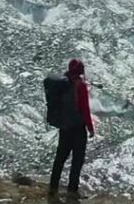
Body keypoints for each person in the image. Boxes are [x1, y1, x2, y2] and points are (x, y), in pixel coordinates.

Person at [48, 58, 95, 200]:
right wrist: (90, 128)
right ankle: (72, 191)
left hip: (64, 127)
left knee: (60, 158)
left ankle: (53, 187)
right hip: (78, 128)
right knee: (77, 160)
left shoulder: (63, 83)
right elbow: (84, 109)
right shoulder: (80, 85)